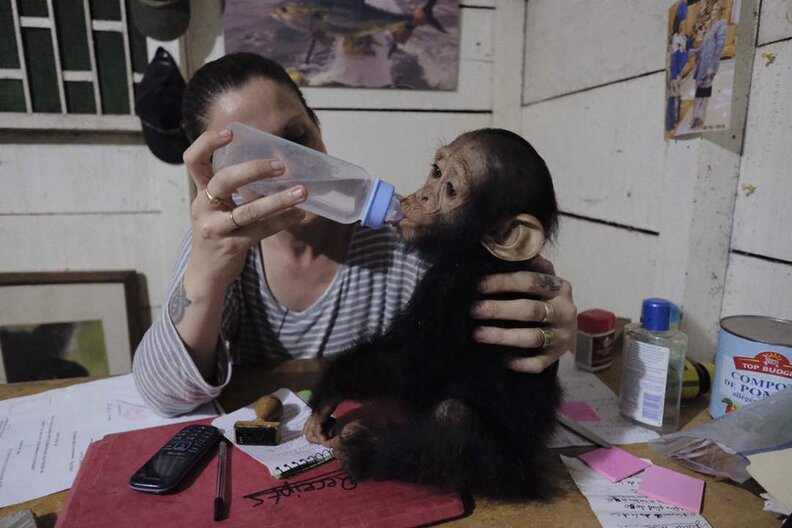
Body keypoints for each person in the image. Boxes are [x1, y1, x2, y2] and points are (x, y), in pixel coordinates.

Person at [132, 52, 578, 417]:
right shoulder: (219, 249)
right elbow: (164, 394)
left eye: (297, 136)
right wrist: (207, 275)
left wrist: (540, 332)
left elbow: (484, 365)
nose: (287, 167)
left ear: (319, 127)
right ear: (216, 175)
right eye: (252, 157)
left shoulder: (407, 235)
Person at [690, 1, 728, 129]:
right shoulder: (710, 27)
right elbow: (703, 48)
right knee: (698, 93)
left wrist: (712, 67)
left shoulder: (721, 25)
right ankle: (695, 117)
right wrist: (691, 52)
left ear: (720, 11)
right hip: (701, 65)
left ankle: (700, 119)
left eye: (715, 9)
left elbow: (719, 47)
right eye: (712, 9)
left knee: (703, 94)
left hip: (709, 67)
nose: (712, 11)